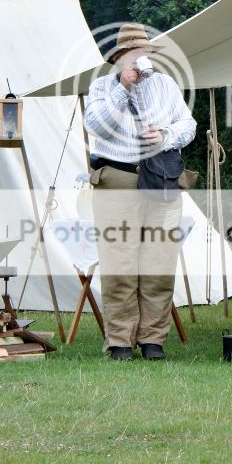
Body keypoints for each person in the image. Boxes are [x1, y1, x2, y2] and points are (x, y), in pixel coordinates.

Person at [84, 23, 196, 360]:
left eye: (144, 53)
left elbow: (187, 125)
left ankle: (153, 339)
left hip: (161, 180)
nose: (140, 59)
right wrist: (122, 88)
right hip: (117, 181)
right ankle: (119, 340)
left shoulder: (166, 84)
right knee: (119, 266)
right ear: (119, 57)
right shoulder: (102, 87)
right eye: (133, 53)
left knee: (159, 266)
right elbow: (97, 126)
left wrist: (165, 137)